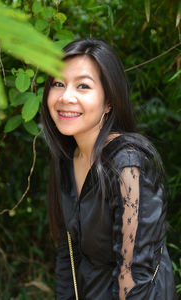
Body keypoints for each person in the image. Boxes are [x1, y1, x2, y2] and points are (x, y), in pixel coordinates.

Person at [41, 39, 177, 300]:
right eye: (58, 83)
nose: (66, 96)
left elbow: (133, 278)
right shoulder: (67, 156)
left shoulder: (128, 167)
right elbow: (67, 255)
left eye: (83, 86)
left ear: (109, 102)